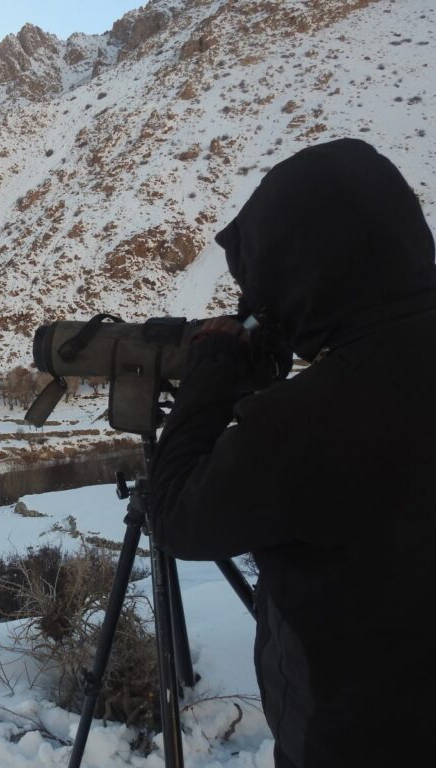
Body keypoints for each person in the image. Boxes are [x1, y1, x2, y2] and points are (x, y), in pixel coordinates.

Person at [148, 138, 436, 768]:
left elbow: (174, 516)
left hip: (358, 740)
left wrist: (212, 377)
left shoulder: (304, 421)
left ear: (299, 271)